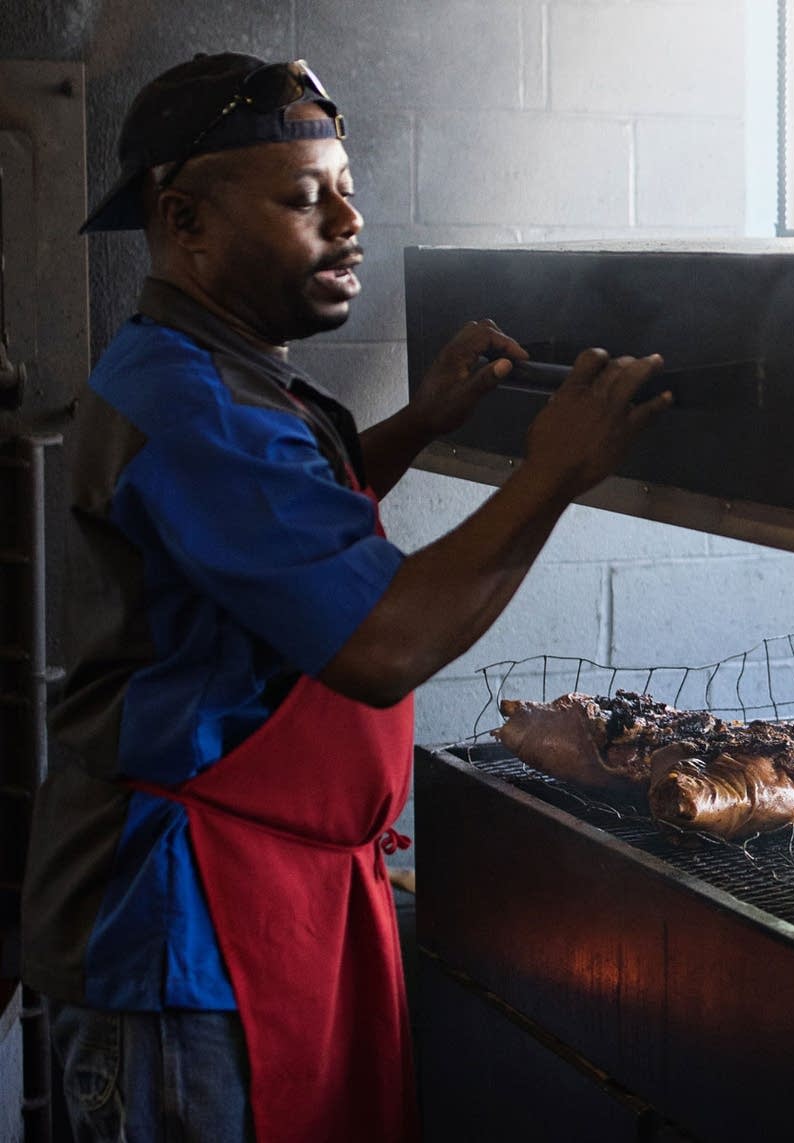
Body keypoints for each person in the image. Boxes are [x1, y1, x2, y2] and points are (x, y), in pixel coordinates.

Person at [20, 53, 670, 1142]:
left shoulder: (212, 373)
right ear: (184, 221)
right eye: (302, 198)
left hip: (269, 896)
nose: (350, 221)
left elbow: (266, 538)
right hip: (184, 925)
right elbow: (381, 644)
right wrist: (554, 471)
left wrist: (420, 424)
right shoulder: (191, 405)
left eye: (346, 184)